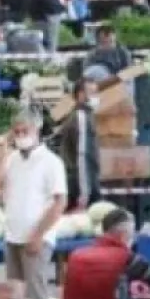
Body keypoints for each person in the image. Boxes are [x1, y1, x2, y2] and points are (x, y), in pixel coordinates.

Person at [0, 111, 67, 299]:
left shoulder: (51, 162)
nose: (21, 136)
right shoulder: (12, 160)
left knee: (36, 294)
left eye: (25, 131)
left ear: (36, 130)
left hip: (37, 237)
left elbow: (60, 202)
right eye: (17, 132)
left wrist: (38, 235)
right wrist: (5, 150)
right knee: (14, 298)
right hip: (12, 236)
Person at [57, 77, 102, 209]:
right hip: (81, 186)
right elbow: (82, 156)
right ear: (81, 94)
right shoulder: (81, 118)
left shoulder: (85, 115)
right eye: (92, 92)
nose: (96, 97)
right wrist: (84, 192)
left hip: (83, 183)